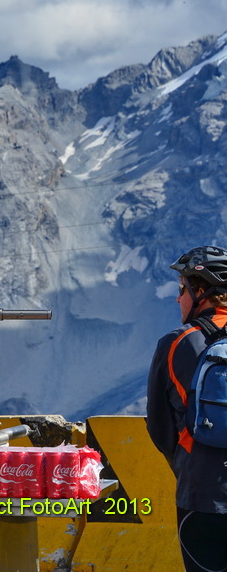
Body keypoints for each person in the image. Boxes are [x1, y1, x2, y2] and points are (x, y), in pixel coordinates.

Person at [146, 245, 227, 572]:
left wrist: (187, 461)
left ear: (202, 291)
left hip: (202, 493)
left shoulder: (176, 342)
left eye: (182, 289)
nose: (178, 298)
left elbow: (159, 429)